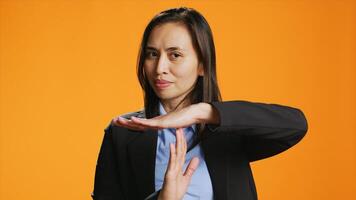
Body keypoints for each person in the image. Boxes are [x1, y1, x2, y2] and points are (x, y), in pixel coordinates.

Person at [91, 7, 308, 200]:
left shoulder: (227, 129)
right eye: (152, 54)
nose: (159, 68)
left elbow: (296, 125)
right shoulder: (122, 133)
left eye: (175, 55)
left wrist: (202, 112)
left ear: (202, 64)